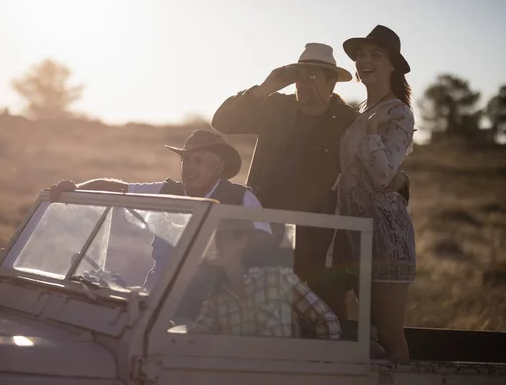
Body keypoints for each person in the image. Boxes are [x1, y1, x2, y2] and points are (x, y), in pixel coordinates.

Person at [211, 43, 410, 321]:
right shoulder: (276, 108)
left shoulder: (347, 121)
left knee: (324, 317)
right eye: (300, 75)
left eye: (314, 75)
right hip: (267, 233)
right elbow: (222, 122)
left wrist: (399, 183)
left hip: (322, 240)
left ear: (331, 83)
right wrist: (265, 87)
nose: (304, 82)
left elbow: (375, 173)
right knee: (262, 313)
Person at [48, 129, 271, 320]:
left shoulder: (241, 199)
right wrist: (74, 188)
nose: (189, 168)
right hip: (153, 302)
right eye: (186, 160)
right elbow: (117, 188)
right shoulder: (167, 191)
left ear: (219, 167)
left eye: (199, 160)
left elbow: (259, 256)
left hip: (205, 306)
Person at [338, 25, 416, 361]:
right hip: (354, 231)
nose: (364, 61)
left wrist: (370, 134)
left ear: (393, 66)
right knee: (362, 332)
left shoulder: (398, 112)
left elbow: (384, 177)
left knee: (388, 334)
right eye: (360, 55)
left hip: (386, 234)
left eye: (375, 55)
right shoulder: (362, 113)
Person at [187, 219, 340, 339]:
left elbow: (327, 322)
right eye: (210, 238)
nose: (213, 244)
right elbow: (193, 340)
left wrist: (314, 370)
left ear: (243, 241)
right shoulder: (215, 300)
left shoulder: (277, 278)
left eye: (220, 236)